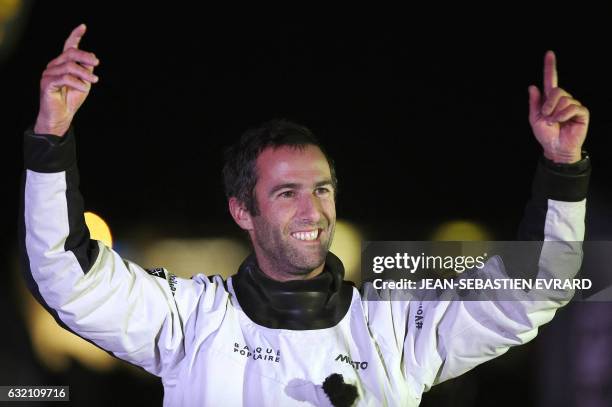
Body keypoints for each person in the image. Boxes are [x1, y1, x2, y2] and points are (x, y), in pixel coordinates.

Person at [19, 24, 591, 407]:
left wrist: (563, 167)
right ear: (241, 210)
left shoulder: (394, 329)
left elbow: (536, 288)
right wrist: (52, 136)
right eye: (286, 192)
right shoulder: (191, 321)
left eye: (321, 189)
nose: (311, 209)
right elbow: (68, 276)